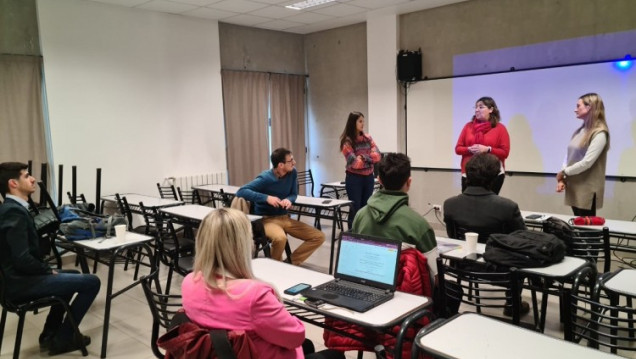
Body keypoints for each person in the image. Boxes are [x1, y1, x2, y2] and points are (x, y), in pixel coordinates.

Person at [181, 208, 344, 359]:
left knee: (307, 345)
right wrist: (276, 304)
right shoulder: (254, 295)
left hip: (222, 352)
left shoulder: (189, 281)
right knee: (334, 355)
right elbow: (295, 336)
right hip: (254, 354)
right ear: (242, 245)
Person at [0, 162, 100, 356]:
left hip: (17, 280)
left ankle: (49, 335)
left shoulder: (13, 208)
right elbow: (22, 260)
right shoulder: (13, 211)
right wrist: (47, 271)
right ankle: (63, 339)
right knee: (92, 282)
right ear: (13, 183)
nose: (33, 179)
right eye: (26, 175)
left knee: (71, 274)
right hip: (20, 285)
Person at [351, 153, 438, 279]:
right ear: (409, 182)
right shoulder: (419, 224)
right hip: (408, 294)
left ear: (379, 180)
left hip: (366, 286)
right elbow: (435, 275)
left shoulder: (360, 216)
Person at [236, 148, 325, 265]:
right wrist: (266, 198)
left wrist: (289, 200)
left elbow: (293, 194)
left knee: (318, 236)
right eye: (291, 160)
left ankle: (289, 264)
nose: (294, 162)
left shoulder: (292, 173)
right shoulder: (265, 178)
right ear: (281, 165)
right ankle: (275, 267)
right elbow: (241, 191)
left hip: (284, 218)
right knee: (280, 238)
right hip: (266, 220)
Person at [443, 153, 526, 242]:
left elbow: (452, 236)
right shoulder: (508, 207)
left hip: (462, 253)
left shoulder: (449, 204)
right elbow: (522, 238)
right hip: (497, 254)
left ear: (467, 173)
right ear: (495, 177)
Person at [556, 93, 609, 216]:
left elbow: (587, 162)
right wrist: (562, 177)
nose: (575, 109)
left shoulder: (600, 133)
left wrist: (564, 172)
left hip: (586, 189)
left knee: (587, 230)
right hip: (574, 186)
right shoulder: (580, 131)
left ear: (589, 107)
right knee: (578, 227)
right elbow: (569, 156)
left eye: (578, 106)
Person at [455, 96, 510, 194]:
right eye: (475, 107)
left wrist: (488, 149)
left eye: (481, 107)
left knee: (489, 205)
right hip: (470, 173)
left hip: (492, 173)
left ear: (491, 109)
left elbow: (504, 153)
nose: (477, 110)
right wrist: (469, 149)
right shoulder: (468, 126)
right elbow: (458, 149)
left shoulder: (500, 128)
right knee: (468, 205)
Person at [339, 111, 381, 228]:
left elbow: (378, 156)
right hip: (354, 180)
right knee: (355, 209)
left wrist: (363, 157)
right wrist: (369, 159)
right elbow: (355, 164)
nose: (363, 124)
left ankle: (363, 236)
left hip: (368, 178)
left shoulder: (368, 138)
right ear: (353, 123)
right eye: (360, 121)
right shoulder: (347, 142)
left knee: (365, 209)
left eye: (363, 121)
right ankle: (352, 237)